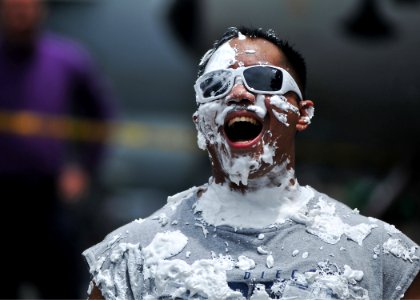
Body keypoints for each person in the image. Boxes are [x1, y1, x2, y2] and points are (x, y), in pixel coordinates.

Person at [83, 26, 420, 299]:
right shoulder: (129, 260)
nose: (239, 94)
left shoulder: (382, 260)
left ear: (303, 114)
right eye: (216, 86)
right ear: (201, 120)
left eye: (266, 80)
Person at [0, 0, 115, 298]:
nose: (20, 13)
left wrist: (84, 170)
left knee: (60, 286)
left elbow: (101, 117)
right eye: (13, 6)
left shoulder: (67, 59)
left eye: (27, 6)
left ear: (41, 9)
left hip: (48, 199)